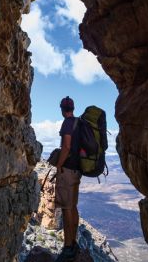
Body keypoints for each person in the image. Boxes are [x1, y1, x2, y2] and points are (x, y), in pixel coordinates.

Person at [55, 96, 81, 262]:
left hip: (68, 170)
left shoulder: (67, 123)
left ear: (62, 109)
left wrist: (59, 165)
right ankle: (73, 242)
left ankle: (68, 247)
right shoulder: (79, 123)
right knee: (73, 206)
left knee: (66, 208)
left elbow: (66, 146)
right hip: (78, 169)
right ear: (72, 107)